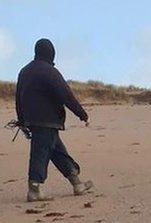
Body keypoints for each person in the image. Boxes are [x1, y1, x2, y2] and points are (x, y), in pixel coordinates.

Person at [15, 38, 93, 202]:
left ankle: (77, 183)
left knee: (57, 151)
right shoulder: (50, 72)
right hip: (48, 120)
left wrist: (22, 120)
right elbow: (66, 95)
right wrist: (82, 114)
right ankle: (34, 189)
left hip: (32, 119)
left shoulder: (24, 71)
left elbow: (18, 98)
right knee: (40, 153)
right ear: (51, 53)